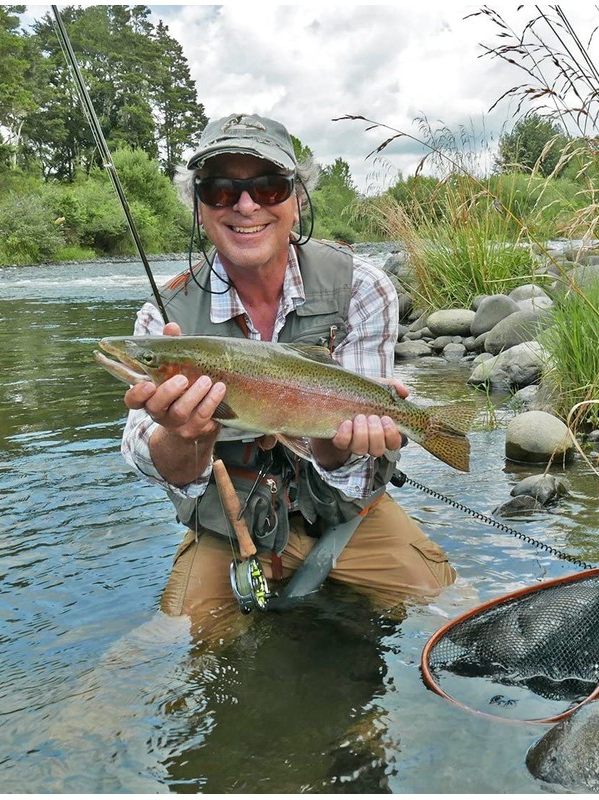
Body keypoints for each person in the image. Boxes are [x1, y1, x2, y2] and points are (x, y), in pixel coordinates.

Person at [119, 112, 455, 633]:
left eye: (269, 187)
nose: (246, 205)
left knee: (450, 614)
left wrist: (337, 442)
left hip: (350, 519)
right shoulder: (163, 320)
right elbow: (148, 460)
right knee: (172, 642)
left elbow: (361, 477)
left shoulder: (362, 288)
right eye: (220, 189)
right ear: (199, 208)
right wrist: (183, 439)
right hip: (228, 529)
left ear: (297, 201)